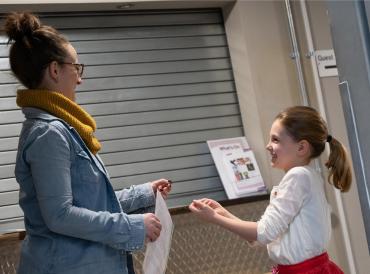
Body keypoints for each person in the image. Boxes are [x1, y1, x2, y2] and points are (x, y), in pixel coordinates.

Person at [3, 12, 172, 274]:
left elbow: (89, 203)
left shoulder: (62, 129)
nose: (80, 78)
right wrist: (133, 227)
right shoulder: (49, 133)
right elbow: (60, 215)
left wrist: (143, 193)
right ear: (55, 70)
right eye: (76, 68)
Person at [189, 106, 352, 274]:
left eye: (275, 140)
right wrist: (223, 214)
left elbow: (263, 233)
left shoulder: (298, 177)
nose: (268, 146)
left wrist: (215, 218)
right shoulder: (308, 176)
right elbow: (264, 236)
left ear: (301, 148)